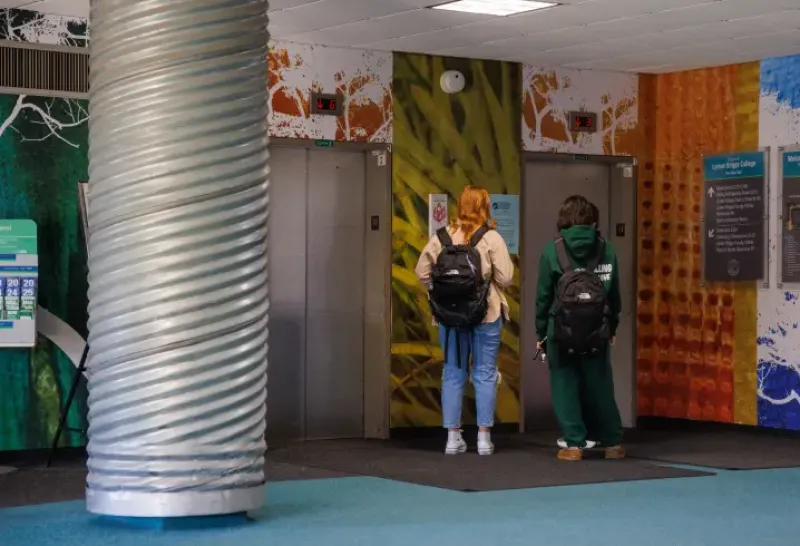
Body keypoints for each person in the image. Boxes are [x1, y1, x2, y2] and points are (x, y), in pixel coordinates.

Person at [415, 186, 514, 456]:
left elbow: (421, 272)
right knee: (484, 373)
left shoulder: (442, 237)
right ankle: (483, 438)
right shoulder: (491, 238)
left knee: (453, 372)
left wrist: (444, 293)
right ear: (484, 207)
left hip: (449, 317)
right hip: (486, 314)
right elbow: (505, 279)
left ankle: (453, 437)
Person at [534, 195, 625, 461]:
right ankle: (613, 443)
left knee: (564, 385)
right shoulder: (606, 249)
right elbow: (614, 296)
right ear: (593, 221)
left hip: (561, 331)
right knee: (601, 385)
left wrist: (542, 333)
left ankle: (574, 445)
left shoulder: (553, 251)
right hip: (598, 329)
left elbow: (543, 298)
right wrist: (613, 327)